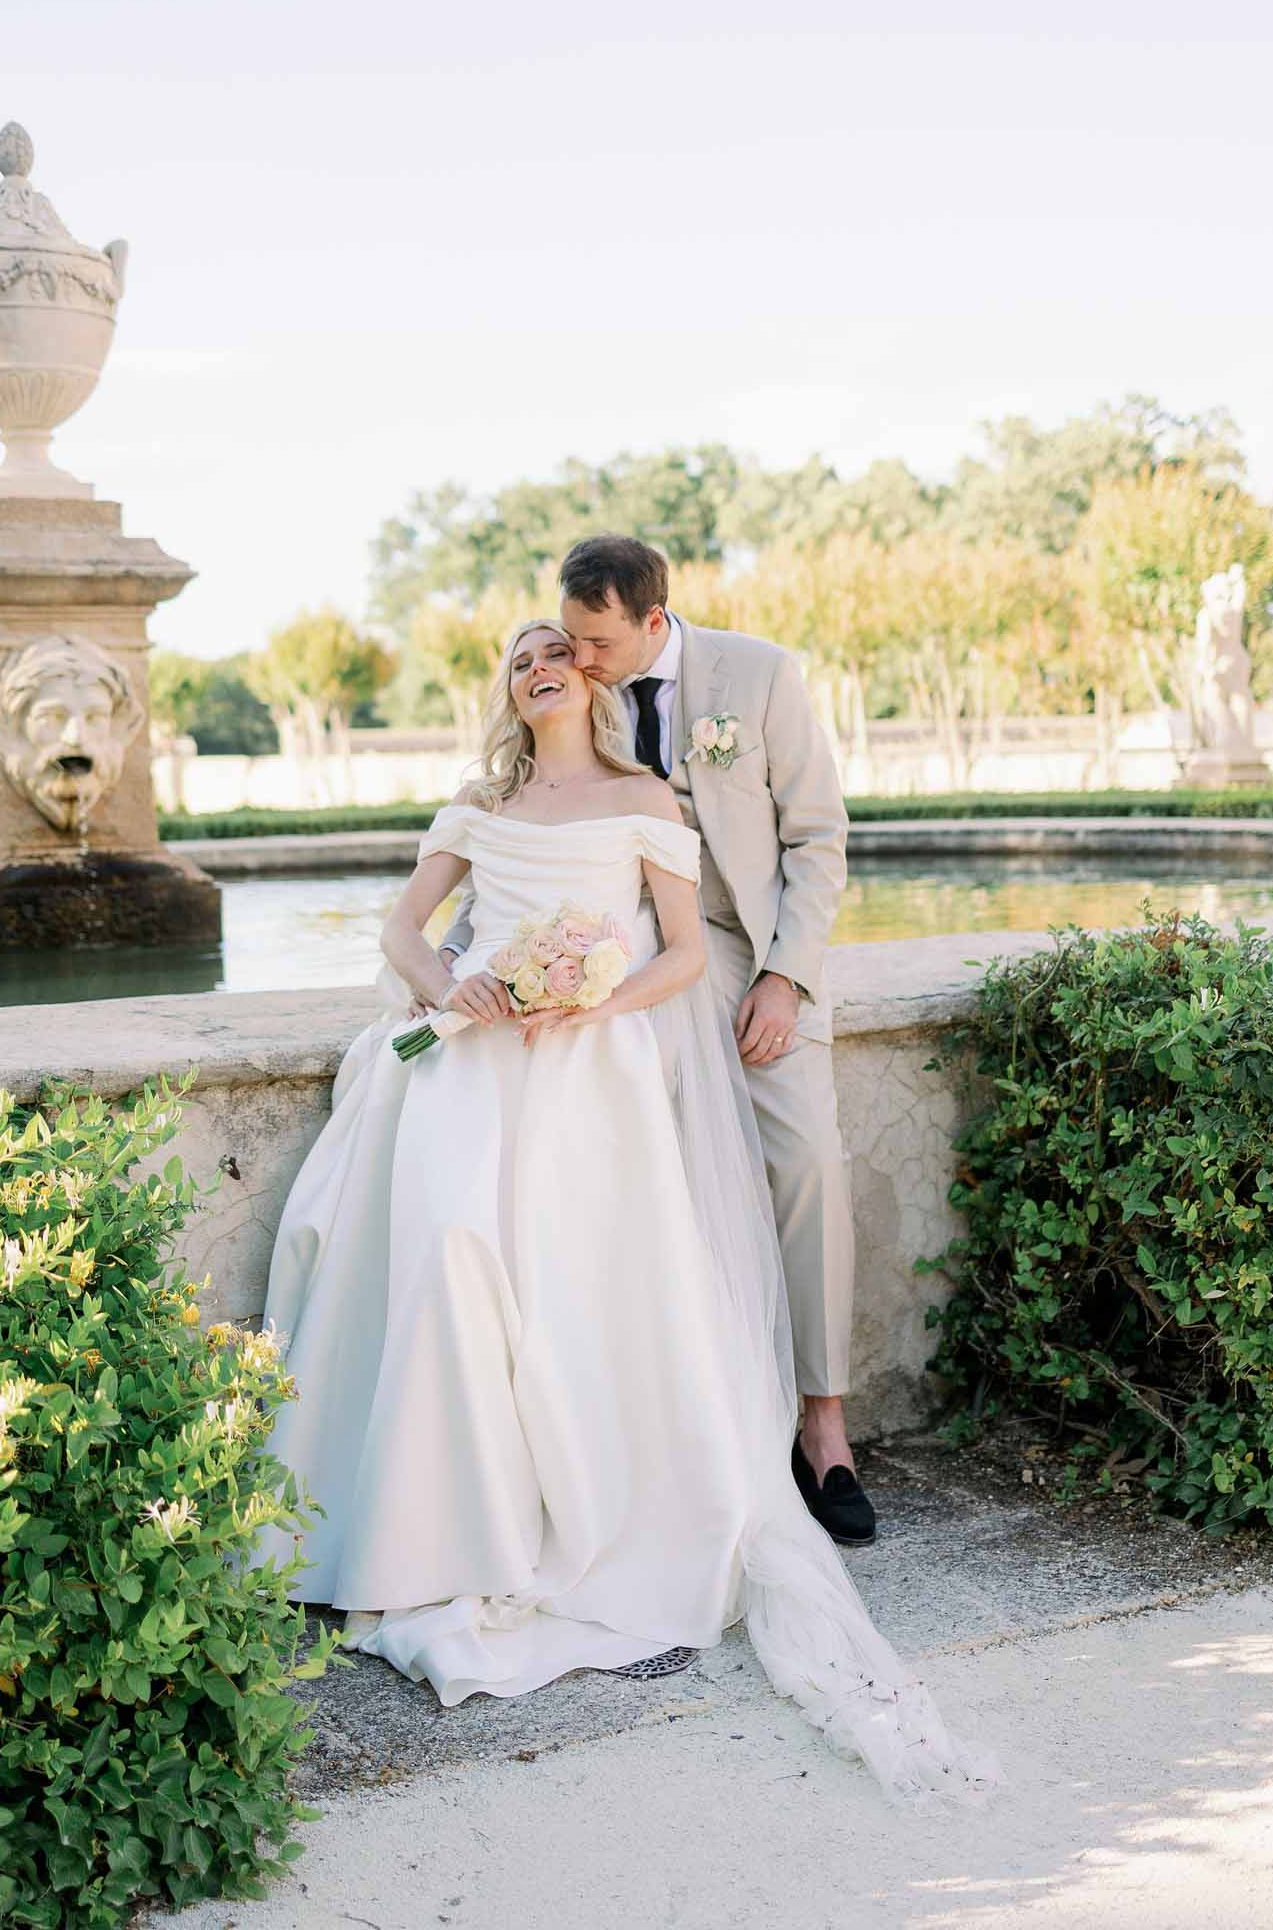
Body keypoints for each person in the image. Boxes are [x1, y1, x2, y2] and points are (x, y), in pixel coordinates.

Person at [256, 619, 991, 1794]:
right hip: (468, 1052)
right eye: (518, 654)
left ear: (589, 676)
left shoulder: (648, 794)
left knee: (568, 1281)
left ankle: (565, 1522)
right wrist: (458, 982)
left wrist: (595, 1000)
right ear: (508, 685)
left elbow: (688, 958)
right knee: (449, 1240)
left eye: (558, 649)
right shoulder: (478, 796)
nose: (539, 661)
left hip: (589, 1061)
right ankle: (432, 1525)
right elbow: (404, 929)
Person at [440, 535, 872, 1545]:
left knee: (805, 1158)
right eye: (568, 637)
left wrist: (784, 975)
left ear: (652, 620)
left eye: (596, 640)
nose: (578, 660)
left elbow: (817, 836)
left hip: (739, 946)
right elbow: (520, 836)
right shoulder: (564, 688)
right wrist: (468, 963)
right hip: (609, 953)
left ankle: (825, 1430)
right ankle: (666, 1430)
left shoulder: (757, 675)